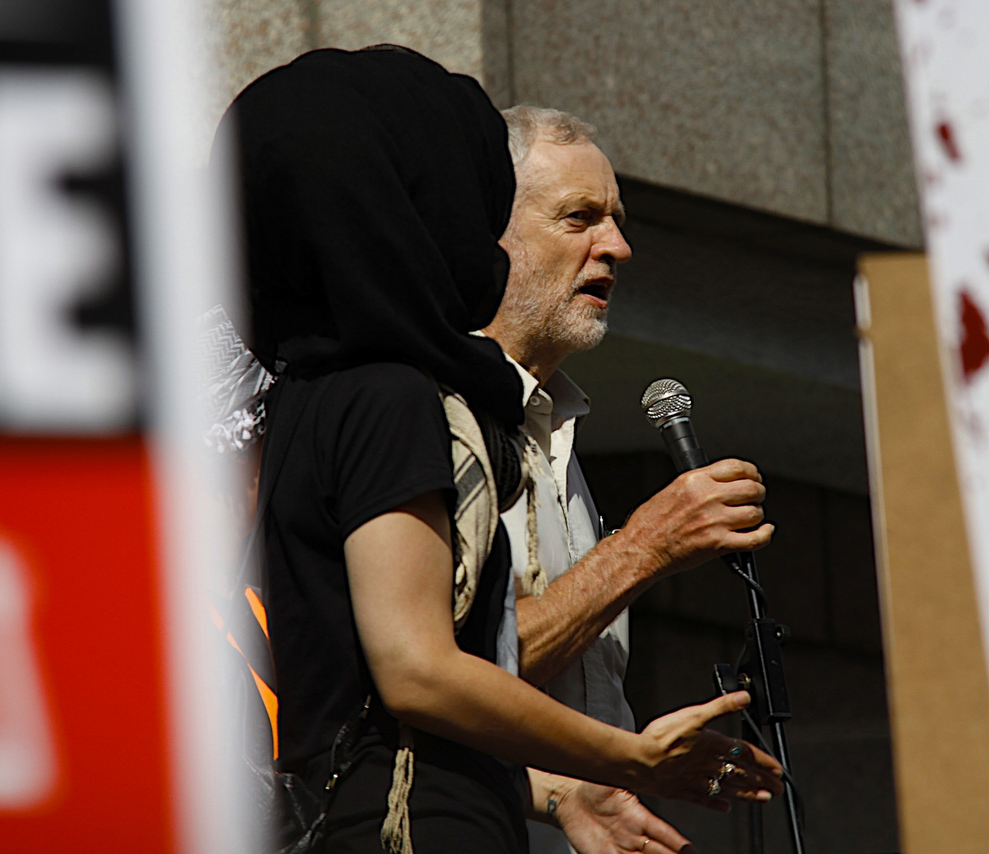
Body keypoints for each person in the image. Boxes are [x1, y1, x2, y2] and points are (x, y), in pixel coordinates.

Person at [224, 47, 781, 854]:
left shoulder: (315, 398)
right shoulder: (392, 398)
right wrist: (635, 756)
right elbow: (417, 671)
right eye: (578, 218)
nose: (617, 248)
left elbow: (373, 713)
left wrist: (563, 796)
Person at [480, 106, 778, 854]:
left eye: (615, 220)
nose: (617, 247)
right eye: (579, 218)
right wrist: (645, 547)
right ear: (484, 230)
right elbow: (457, 668)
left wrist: (639, 765)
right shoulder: (424, 417)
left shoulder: (558, 428)